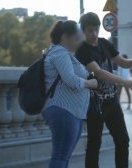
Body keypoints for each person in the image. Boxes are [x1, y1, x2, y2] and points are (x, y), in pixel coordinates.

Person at [75, 12, 132, 168]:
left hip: (112, 101)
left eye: (96, 30)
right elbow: (99, 72)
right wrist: (124, 82)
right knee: (94, 145)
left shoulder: (104, 43)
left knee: (123, 140)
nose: (94, 34)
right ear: (83, 31)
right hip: (95, 103)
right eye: (90, 30)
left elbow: (120, 61)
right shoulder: (82, 50)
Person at [42, 20, 98, 168]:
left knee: (63, 157)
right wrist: (89, 83)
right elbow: (71, 80)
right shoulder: (59, 53)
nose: (78, 42)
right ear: (64, 37)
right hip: (63, 110)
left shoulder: (64, 53)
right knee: (60, 156)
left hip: (71, 112)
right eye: (76, 39)